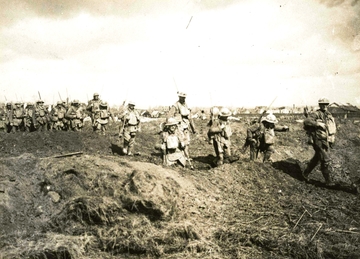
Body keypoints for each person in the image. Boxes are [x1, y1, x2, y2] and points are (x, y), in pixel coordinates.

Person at [302, 98, 336, 186]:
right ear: (319, 105)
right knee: (325, 160)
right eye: (322, 104)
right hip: (318, 140)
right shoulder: (316, 114)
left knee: (317, 158)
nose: (324, 106)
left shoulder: (328, 114)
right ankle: (328, 181)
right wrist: (318, 124)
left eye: (326, 104)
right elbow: (307, 121)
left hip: (325, 140)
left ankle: (305, 174)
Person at [167, 92, 196, 168]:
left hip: (186, 126)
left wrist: (193, 128)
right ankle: (180, 157)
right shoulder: (175, 105)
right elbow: (169, 116)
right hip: (179, 127)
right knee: (180, 142)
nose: (183, 99)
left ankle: (186, 156)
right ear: (179, 97)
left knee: (187, 142)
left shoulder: (185, 105)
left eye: (184, 97)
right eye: (182, 97)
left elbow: (190, 117)